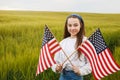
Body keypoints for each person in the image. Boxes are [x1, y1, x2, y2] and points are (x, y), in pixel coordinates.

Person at [51, 14, 92, 80]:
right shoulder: (63, 42)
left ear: (81, 25)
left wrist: (80, 71)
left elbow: (91, 63)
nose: (72, 28)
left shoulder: (85, 41)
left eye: (75, 25)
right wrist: (56, 67)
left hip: (77, 77)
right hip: (63, 76)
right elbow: (55, 61)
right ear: (66, 26)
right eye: (70, 25)